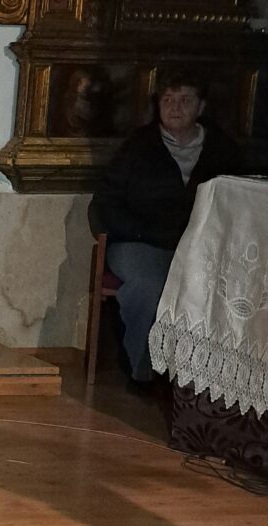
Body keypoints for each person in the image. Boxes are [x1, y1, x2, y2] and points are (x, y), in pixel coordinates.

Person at [88, 71, 240, 384]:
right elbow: (105, 202)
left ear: (200, 107)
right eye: (167, 100)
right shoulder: (138, 146)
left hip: (201, 247)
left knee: (224, 289)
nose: (174, 107)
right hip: (140, 242)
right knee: (149, 286)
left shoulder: (222, 150)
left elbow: (236, 202)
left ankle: (203, 378)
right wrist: (141, 231)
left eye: (185, 100)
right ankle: (142, 369)